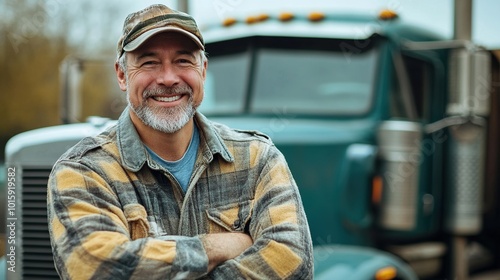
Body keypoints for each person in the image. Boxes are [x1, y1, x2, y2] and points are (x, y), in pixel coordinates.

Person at [47, 4, 313, 279]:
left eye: (183, 61)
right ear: (122, 74)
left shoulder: (259, 159)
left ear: (203, 70)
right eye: (149, 62)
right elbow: (93, 268)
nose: (168, 78)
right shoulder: (83, 171)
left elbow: (293, 263)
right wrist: (215, 247)